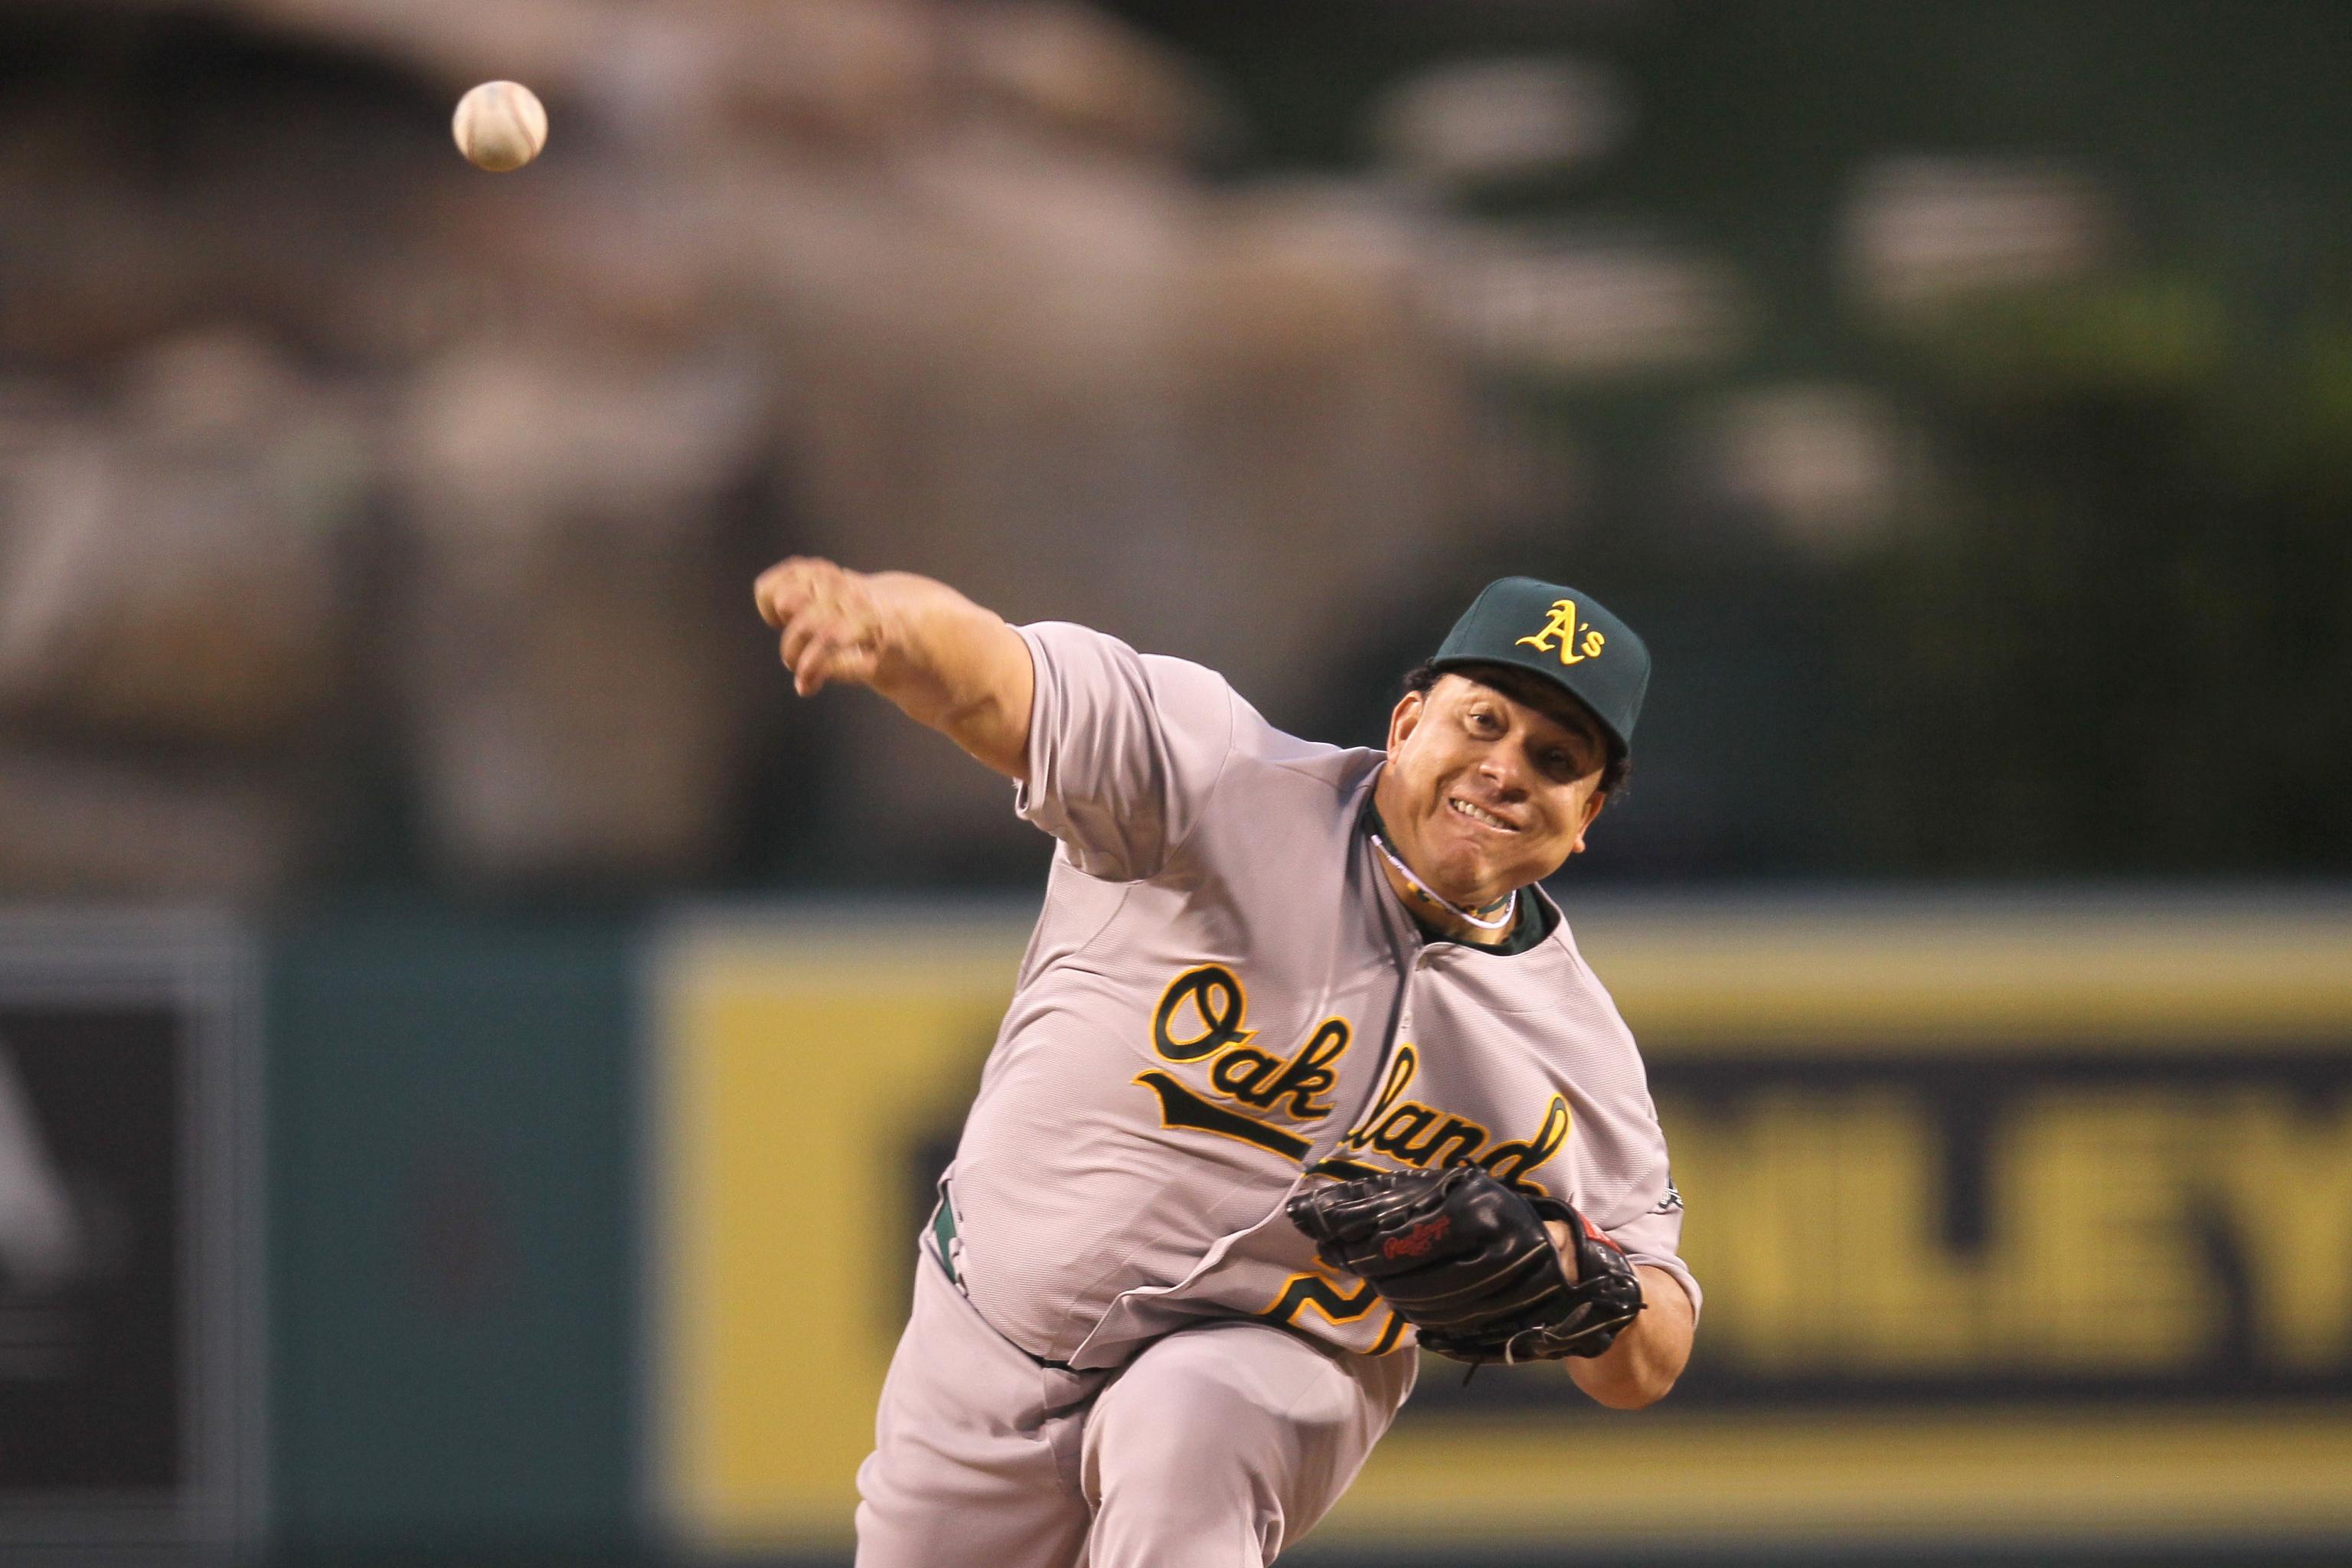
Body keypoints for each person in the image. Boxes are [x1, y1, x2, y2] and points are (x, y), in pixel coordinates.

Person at [753, 558, 1698, 1568]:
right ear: (1409, 721)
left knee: (1185, 1416)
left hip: (1274, 1368)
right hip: (987, 1341)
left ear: (1588, 817)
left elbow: (1649, 1353)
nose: (1507, 769)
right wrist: (892, 630)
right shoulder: (1216, 781)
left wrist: (1585, 1282)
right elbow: (998, 679)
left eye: (1557, 759)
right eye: (1484, 722)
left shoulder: (1568, 1046)